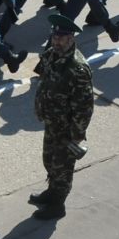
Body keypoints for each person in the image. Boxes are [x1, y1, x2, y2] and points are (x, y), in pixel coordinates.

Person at [27, 13, 94, 220]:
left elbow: (84, 107)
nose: (56, 41)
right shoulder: (50, 55)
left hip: (66, 129)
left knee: (62, 168)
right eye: (54, 37)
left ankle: (57, 206)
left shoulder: (78, 68)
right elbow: (43, 79)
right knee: (49, 160)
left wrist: (76, 135)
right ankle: (51, 193)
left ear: (71, 38)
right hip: (51, 122)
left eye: (61, 38)